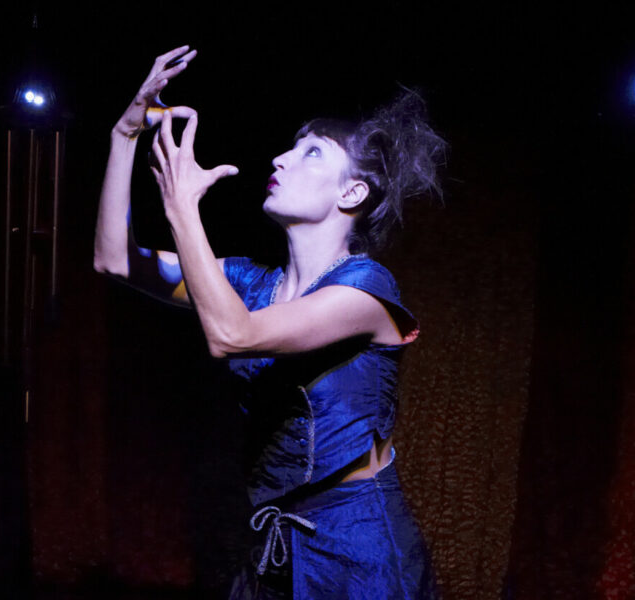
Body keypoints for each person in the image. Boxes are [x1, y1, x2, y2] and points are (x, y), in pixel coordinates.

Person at [93, 46, 445, 599]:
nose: (280, 159)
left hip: (360, 552)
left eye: (311, 153)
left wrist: (183, 208)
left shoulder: (366, 288)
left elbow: (232, 335)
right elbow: (114, 259)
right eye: (290, 147)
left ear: (352, 192)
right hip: (273, 543)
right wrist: (124, 133)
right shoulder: (248, 283)